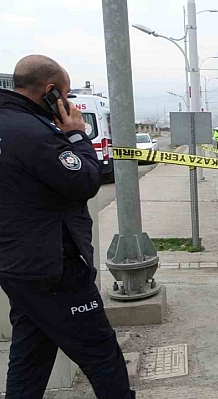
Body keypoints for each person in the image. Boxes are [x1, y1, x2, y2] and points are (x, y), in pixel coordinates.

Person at [0, 55, 134, 399]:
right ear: (50, 93)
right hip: (54, 268)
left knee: (31, 354)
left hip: (17, 266)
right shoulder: (33, 133)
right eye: (66, 95)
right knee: (102, 354)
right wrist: (76, 135)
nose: (68, 103)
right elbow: (85, 181)